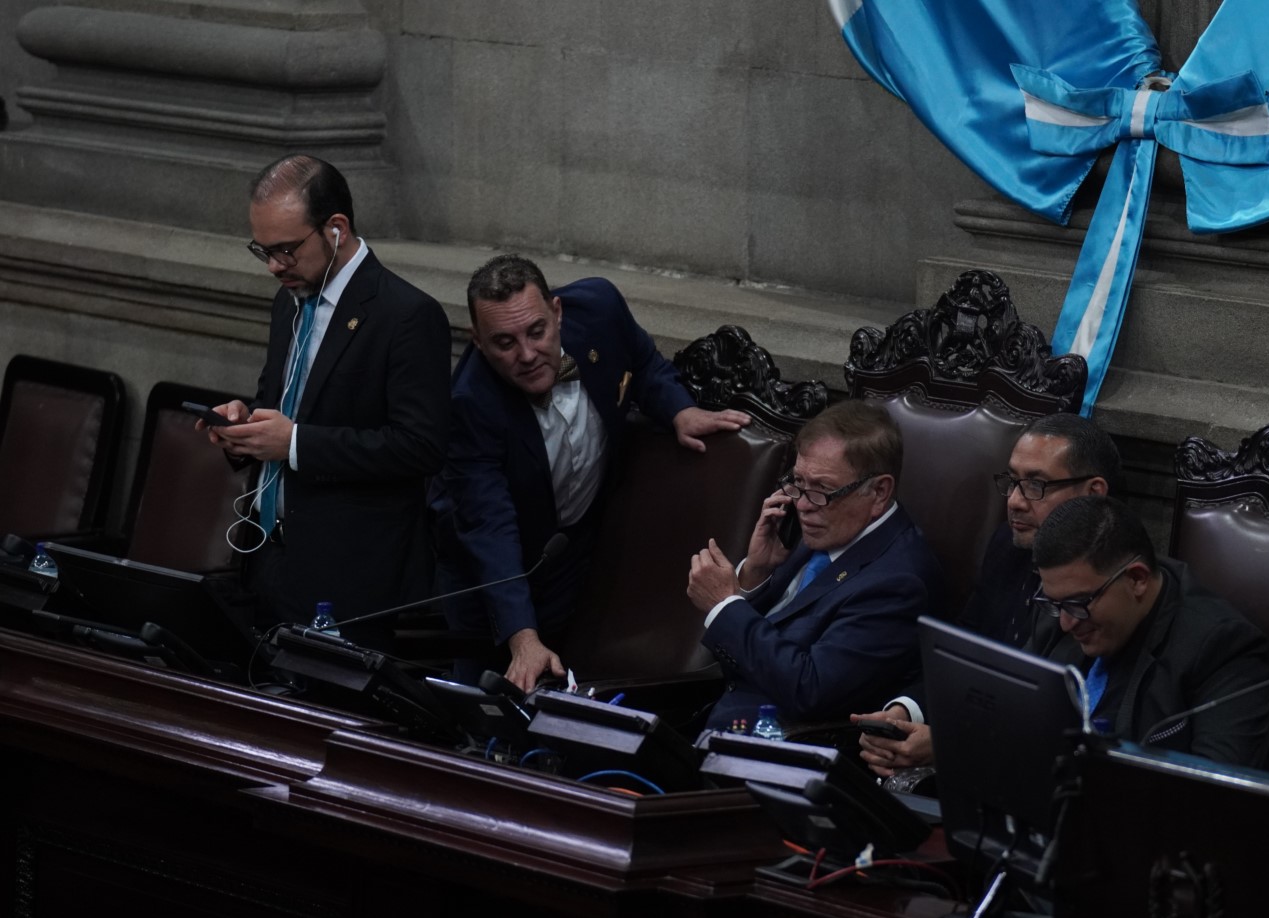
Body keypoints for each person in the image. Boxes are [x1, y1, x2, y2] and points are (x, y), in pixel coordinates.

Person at [430, 254, 748, 693]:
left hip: (575, 552)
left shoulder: (600, 309)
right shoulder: (468, 405)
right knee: (485, 701)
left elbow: (643, 362)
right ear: (479, 344)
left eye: (537, 332)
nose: (527, 354)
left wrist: (679, 410)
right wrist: (522, 637)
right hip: (488, 580)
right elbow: (489, 529)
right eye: (504, 343)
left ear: (557, 312)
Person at [202, 155, 450, 644]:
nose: (274, 266)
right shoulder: (288, 301)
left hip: (350, 579)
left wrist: (294, 443)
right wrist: (244, 427)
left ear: (336, 229)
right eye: (263, 250)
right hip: (268, 557)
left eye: (286, 250)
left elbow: (420, 446)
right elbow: (278, 403)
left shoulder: (406, 315)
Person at [856, 413, 1120, 775]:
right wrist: (905, 712)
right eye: (1012, 481)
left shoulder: (1108, 590)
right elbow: (962, 654)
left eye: (1036, 485)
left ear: (1094, 493)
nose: (1015, 501)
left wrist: (951, 743)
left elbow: (1057, 725)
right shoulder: (1007, 547)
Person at [687, 400, 943, 730]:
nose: (803, 505)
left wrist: (725, 606)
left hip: (784, 746)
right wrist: (755, 575)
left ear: (879, 492)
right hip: (721, 719)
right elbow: (759, 642)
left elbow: (810, 690)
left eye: (822, 488)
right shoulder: (821, 529)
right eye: (798, 482)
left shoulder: (899, 583)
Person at [1028, 495, 1269, 767]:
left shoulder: (1223, 650)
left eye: (1078, 604)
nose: (1066, 623)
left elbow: (1213, 786)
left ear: (1137, 579)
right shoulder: (1062, 606)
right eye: (1056, 604)